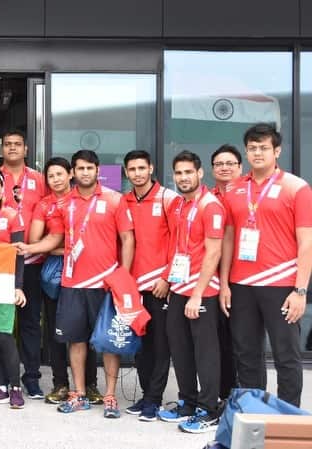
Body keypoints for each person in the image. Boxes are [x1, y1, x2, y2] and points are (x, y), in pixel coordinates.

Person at [22, 149, 134, 418]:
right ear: (74, 172)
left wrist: (123, 278)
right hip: (72, 281)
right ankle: (79, 393)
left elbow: (128, 240)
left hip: (105, 282)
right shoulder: (65, 204)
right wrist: (29, 248)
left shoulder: (114, 199)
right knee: (76, 339)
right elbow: (54, 239)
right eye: (80, 168)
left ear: (97, 170)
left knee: (107, 342)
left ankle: (109, 396)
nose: (84, 172)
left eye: (89, 168)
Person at [220, 123, 311, 408]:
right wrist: (224, 283)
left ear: (277, 151)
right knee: (246, 355)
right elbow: (228, 239)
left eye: (264, 147)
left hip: (281, 285)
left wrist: (300, 290)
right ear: (246, 151)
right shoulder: (234, 189)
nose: (257, 153)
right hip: (242, 285)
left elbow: (306, 242)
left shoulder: (297, 187)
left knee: (286, 356)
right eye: (252, 148)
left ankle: (287, 417)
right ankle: (253, 413)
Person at [0, 170, 63, 409]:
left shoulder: (12, 216)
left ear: (2, 191)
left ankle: (15, 387)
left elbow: (19, 256)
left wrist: (18, 287)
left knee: (4, 335)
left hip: (4, 281)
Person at [160, 150, 225, 434]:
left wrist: (198, 294)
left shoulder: (211, 206)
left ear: (200, 173)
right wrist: (173, 283)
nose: (183, 177)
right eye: (179, 173)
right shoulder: (179, 205)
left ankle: (209, 410)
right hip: (180, 287)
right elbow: (177, 248)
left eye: (189, 172)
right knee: (181, 349)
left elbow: (214, 253)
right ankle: (188, 401)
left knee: (205, 353)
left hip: (203, 292)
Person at [28, 157, 99, 405]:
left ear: (70, 174)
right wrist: (63, 250)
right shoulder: (44, 205)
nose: (56, 179)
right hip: (56, 276)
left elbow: (95, 238)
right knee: (56, 332)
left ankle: (90, 385)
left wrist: (58, 245)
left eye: (60, 174)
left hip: (88, 274)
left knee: (87, 331)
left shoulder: (84, 200)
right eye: (51, 176)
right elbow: (36, 240)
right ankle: (60, 384)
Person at [121, 150, 177, 421]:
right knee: (140, 344)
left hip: (159, 285)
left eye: (142, 168)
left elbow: (181, 242)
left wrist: (167, 277)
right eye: (132, 169)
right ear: (126, 172)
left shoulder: (168, 198)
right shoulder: (125, 201)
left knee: (160, 344)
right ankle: (146, 395)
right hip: (133, 286)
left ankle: (154, 399)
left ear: (151, 168)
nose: (137, 173)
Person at [0, 130, 49, 399]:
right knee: (3, 321)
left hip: (33, 260)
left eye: (17, 144)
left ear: (26, 149)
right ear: (2, 149)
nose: (12, 148)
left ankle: (31, 377)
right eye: (8, 144)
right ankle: (6, 377)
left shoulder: (40, 179)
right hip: (1, 262)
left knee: (30, 322)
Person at [209, 144, 243, 400]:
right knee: (219, 340)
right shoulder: (208, 199)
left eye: (230, 163)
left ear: (240, 167)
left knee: (242, 342)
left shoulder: (249, 195)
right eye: (219, 164)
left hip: (244, 278)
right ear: (211, 170)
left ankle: (243, 395)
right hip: (213, 280)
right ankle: (222, 394)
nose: (224, 168)